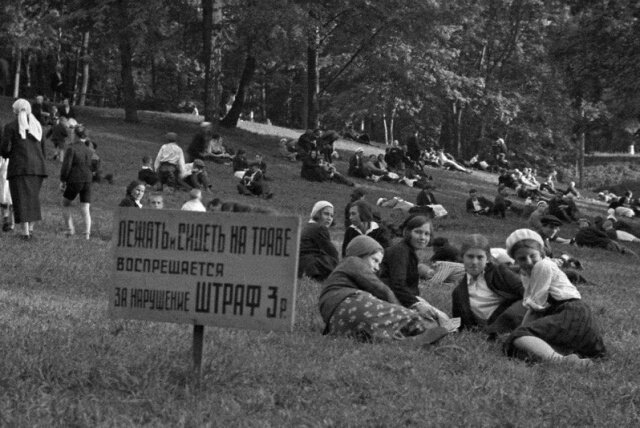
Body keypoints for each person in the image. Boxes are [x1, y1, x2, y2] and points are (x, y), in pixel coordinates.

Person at [502, 229, 606, 366]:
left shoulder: (543, 265)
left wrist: (521, 330)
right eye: (522, 258)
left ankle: (562, 361)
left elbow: (535, 306)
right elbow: (533, 304)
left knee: (518, 338)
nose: (528, 262)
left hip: (571, 313)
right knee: (523, 349)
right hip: (569, 316)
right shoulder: (526, 273)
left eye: (532, 256)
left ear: (541, 253)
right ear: (515, 260)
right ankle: (565, 355)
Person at [318, 235, 448, 344]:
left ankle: (407, 342)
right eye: (374, 260)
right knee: (410, 317)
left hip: (337, 322)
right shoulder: (353, 261)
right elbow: (381, 289)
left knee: (376, 328)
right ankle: (426, 328)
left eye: (379, 263)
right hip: (350, 303)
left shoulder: (342, 271)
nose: (376, 268)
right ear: (361, 253)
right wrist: (402, 309)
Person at [379, 215, 450, 325]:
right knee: (438, 322)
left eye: (427, 234)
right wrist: (417, 304)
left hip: (405, 298)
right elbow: (397, 285)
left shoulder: (409, 251)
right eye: (418, 232)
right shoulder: (400, 251)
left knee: (443, 319)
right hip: (392, 298)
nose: (422, 237)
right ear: (407, 232)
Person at [451, 234, 525, 333]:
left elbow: (525, 291)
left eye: (480, 257)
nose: (474, 262)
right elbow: (459, 323)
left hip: (512, 317)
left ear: (488, 258)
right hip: (486, 328)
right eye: (470, 256)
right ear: (462, 257)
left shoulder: (499, 272)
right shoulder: (459, 293)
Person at [0, 99, 47, 240]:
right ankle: (31, 229)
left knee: (21, 199)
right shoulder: (38, 126)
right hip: (38, 168)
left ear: (15, 111)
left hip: (19, 167)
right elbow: (43, 149)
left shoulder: (11, 127)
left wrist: (8, 155)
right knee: (33, 198)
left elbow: (4, 148)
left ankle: (25, 232)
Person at [60, 125, 94, 239]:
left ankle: (70, 229)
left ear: (75, 135)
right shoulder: (89, 150)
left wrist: (63, 180)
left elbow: (66, 166)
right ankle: (87, 234)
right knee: (85, 207)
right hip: (88, 180)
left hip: (75, 179)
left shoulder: (71, 148)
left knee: (65, 203)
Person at [298, 201, 340, 281]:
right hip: (311, 267)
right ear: (317, 214)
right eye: (326, 214)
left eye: (331, 216)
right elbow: (332, 252)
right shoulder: (319, 228)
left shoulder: (308, 226)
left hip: (301, 266)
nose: (329, 218)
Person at [0, 154, 13, 231]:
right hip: (5, 158)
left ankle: (6, 219)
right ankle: (6, 219)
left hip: (5, 157)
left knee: (5, 188)